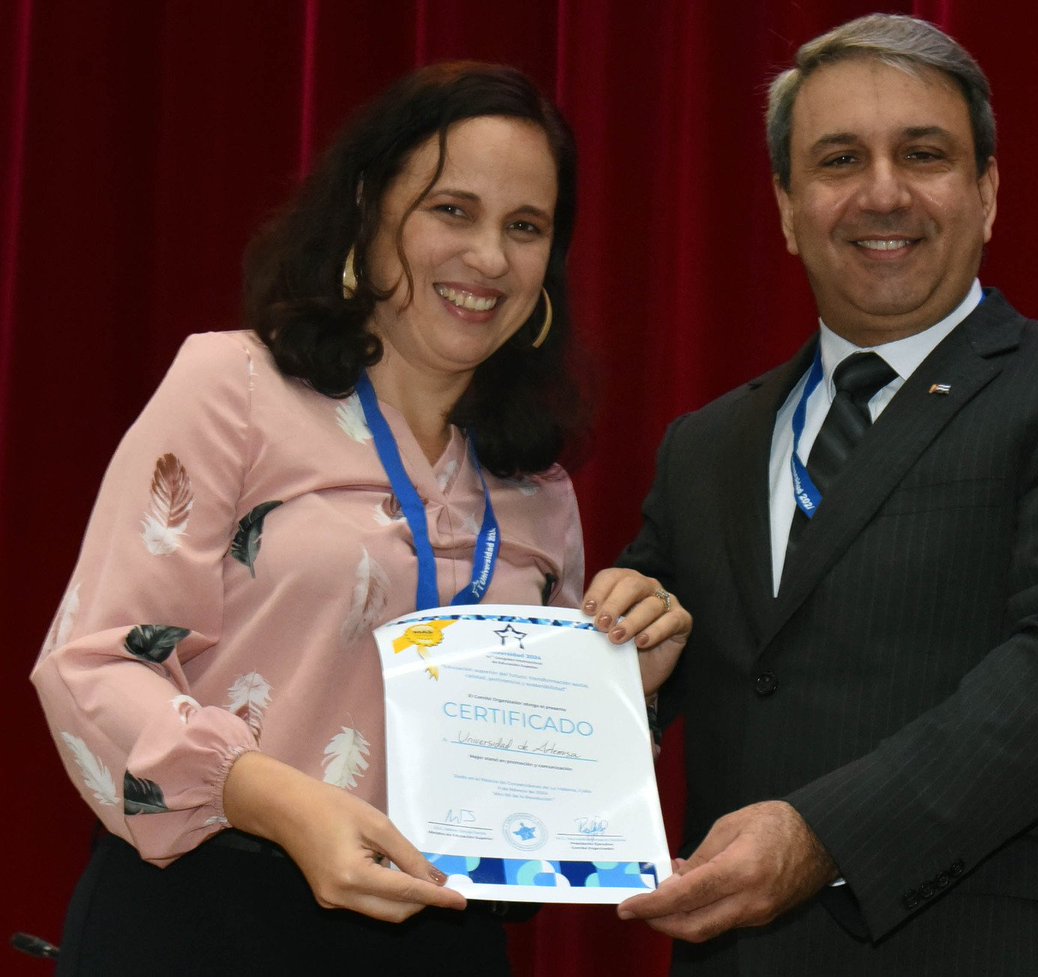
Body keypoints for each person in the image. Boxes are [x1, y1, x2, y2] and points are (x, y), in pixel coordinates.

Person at [32, 62, 689, 976]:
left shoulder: (537, 486)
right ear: (367, 210)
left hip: (444, 945)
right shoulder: (235, 387)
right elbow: (93, 660)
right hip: (207, 918)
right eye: (452, 210)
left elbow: (526, 784)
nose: (490, 258)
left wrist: (628, 692)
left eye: (525, 227)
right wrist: (274, 799)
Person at [614, 13, 1038, 976]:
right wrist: (620, 663)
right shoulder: (703, 445)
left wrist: (821, 837)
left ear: (988, 191)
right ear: (788, 207)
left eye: (923, 154)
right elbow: (644, 673)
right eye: (839, 159)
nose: (883, 193)